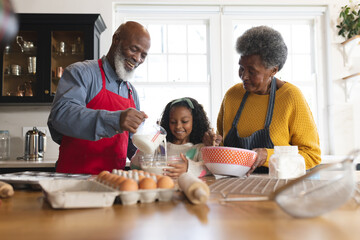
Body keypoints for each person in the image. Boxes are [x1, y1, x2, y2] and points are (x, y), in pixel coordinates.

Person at [205, 25, 321, 176]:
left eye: (252, 71)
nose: (244, 76)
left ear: (273, 70)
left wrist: (268, 156)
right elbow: (222, 147)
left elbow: (312, 156)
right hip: (234, 187)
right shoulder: (232, 96)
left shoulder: (291, 97)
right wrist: (212, 144)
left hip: (277, 189)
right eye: (241, 68)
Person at [47, 21, 150, 174]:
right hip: (73, 179)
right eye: (134, 49)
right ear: (116, 40)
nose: (137, 58)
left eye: (143, 55)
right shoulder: (82, 73)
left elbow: (131, 145)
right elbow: (60, 116)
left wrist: (148, 154)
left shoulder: (131, 92)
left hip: (113, 182)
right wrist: (116, 120)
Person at [131, 97, 212, 178]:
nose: (178, 126)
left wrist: (189, 168)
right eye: (173, 122)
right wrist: (146, 146)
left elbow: (208, 167)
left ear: (195, 122)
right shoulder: (159, 147)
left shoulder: (199, 148)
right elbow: (134, 166)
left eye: (184, 121)